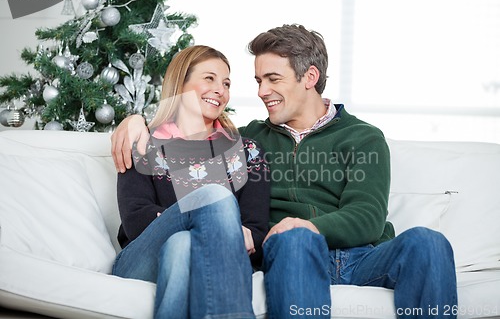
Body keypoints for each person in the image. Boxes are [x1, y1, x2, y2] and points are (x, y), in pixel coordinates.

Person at [111, 25, 458, 319]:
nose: (261, 91)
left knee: (428, 242)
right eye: (259, 80)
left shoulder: (363, 137)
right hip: (291, 252)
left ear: (310, 77)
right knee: (294, 240)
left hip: (362, 257)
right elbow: (192, 129)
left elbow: (367, 216)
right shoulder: (250, 140)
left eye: (272, 79)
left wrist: (309, 224)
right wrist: (135, 119)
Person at [111, 45, 270, 319]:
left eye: (226, 83)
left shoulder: (248, 152)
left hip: (193, 256)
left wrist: (185, 223)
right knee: (212, 197)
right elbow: (136, 221)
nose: (220, 89)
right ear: (181, 83)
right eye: (209, 78)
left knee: (182, 244)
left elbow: (256, 230)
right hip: (140, 260)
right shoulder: (144, 143)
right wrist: (219, 224)